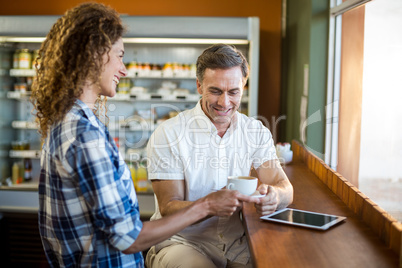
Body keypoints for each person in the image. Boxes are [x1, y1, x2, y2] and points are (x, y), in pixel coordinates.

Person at [31, 4, 261, 268]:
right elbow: (129, 239)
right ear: (93, 55)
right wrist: (208, 205)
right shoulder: (84, 135)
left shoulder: (70, 122)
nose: (124, 69)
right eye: (119, 55)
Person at [145, 44, 294, 267]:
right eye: (215, 91)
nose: (224, 103)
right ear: (199, 86)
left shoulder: (255, 131)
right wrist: (209, 204)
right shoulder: (169, 133)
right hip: (181, 242)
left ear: (243, 86)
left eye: (233, 92)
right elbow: (168, 207)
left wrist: (275, 197)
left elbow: (284, 186)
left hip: (237, 243)